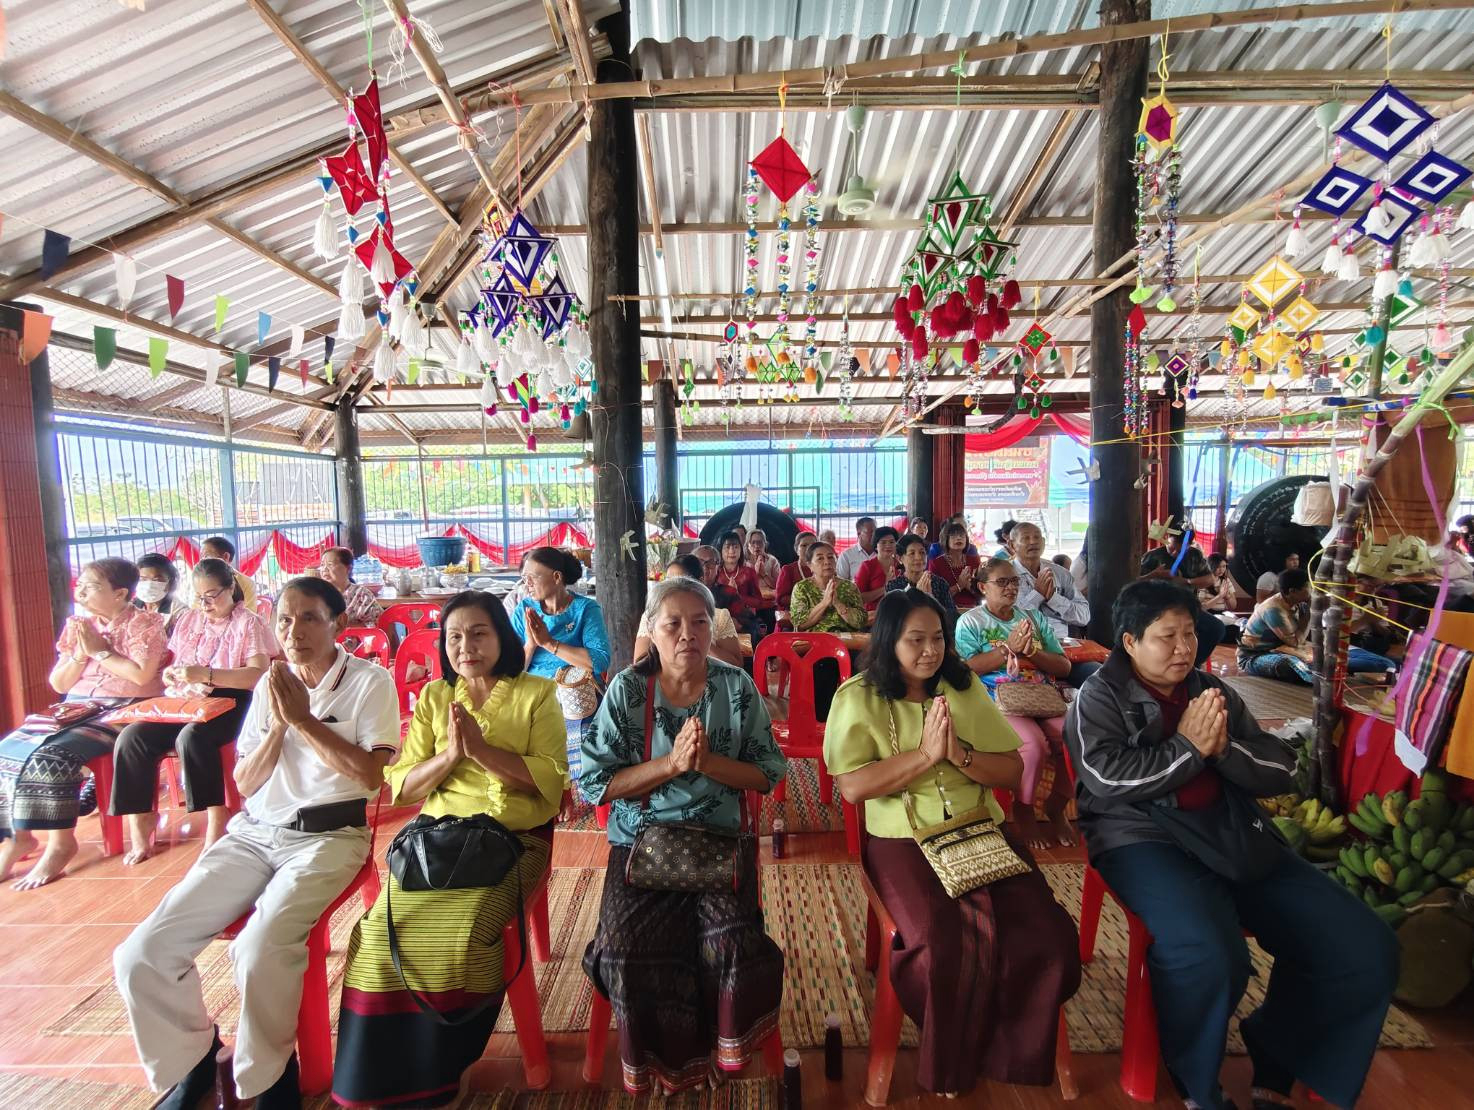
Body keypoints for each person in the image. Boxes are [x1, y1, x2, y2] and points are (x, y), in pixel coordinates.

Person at [1065, 579, 1398, 1110]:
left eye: (1190, 633)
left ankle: (1280, 1054)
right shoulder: (1098, 697)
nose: (1183, 648)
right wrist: (1191, 749)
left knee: (1361, 946)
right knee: (1213, 956)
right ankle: (1198, 1084)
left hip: (1231, 830)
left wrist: (1221, 754)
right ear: (1129, 642)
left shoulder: (1209, 692)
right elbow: (1107, 781)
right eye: (1165, 637)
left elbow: (1280, 768)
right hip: (1143, 841)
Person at [113, 578, 401, 1109]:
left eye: (310, 618)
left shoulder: (369, 681)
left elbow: (367, 777)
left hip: (329, 836)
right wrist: (278, 728)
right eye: (285, 621)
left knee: (261, 946)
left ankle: (269, 1079)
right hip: (254, 834)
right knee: (142, 952)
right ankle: (191, 1062)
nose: (294, 632)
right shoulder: (273, 685)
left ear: (337, 624)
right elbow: (245, 782)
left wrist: (303, 721)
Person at [824, 590, 1080, 1099]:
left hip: (981, 826)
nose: (929, 651)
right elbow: (853, 787)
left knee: (1044, 936)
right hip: (903, 836)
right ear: (888, 641)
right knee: (941, 945)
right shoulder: (858, 696)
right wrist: (923, 757)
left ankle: (1007, 1054)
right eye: (914, 640)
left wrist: (958, 754)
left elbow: (1009, 769)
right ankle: (954, 1056)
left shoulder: (963, 689)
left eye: (937, 638)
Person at [333, 591, 566, 1107]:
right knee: (375, 938)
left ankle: (444, 1069)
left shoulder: (536, 693)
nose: (465, 645)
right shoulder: (438, 699)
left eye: (478, 633)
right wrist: (449, 758)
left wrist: (481, 752)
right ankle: (374, 1079)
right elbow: (402, 785)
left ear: (501, 638)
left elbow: (549, 780)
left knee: (462, 938)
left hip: (512, 841)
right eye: (454, 636)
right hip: (437, 845)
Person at [580, 576, 787, 1095]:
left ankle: (725, 1052)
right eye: (672, 623)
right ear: (652, 628)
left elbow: (767, 772)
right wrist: (670, 765)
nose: (687, 635)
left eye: (699, 622)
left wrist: (709, 762)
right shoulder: (628, 690)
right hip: (640, 842)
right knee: (626, 949)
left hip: (718, 841)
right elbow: (596, 784)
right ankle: (659, 1064)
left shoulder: (735, 688)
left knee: (733, 946)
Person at [0, 558, 167, 889]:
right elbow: (60, 684)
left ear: (120, 594)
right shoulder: (79, 625)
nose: (82, 591)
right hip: (76, 706)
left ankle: (61, 844)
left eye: (92, 586)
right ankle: (17, 838)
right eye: (81, 585)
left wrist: (102, 653)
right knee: (8, 749)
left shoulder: (145, 625)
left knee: (55, 757)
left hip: (124, 708)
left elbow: (142, 677)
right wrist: (81, 654)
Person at [111, 558, 273, 864]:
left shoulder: (248, 622)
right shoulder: (188, 621)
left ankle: (217, 813)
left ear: (230, 589)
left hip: (234, 699)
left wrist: (207, 675)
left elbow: (257, 676)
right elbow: (176, 663)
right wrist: (174, 675)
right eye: (199, 597)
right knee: (133, 737)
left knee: (193, 737)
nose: (205, 604)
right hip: (188, 700)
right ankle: (141, 816)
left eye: (212, 596)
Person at [955, 559, 1075, 850]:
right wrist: (1009, 648)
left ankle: (1056, 805)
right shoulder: (971, 621)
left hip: (1040, 695)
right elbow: (967, 669)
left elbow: (1064, 666)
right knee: (1033, 745)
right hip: (999, 699)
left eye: (1014, 582)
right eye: (1002, 582)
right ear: (983, 587)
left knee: (1077, 736)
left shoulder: (1032, 618)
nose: (1010, 588)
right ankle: (1023, 809)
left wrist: (1033, 651)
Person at [510, 546, 611, 784]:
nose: (528, 584)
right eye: (524, 579)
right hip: (534, 690)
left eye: (532, 578)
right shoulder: (524, 610)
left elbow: (598, 661)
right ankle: (542, 782)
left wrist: (550, 643)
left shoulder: (585, 609)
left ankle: (577, 783)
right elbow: (511, 670)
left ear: (557, 577)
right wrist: (531, 645)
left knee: (580, 716)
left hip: (574, 691)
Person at [636, 556, 743, 668]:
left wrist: (702, 643)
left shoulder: (720, 617)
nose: (673, 588)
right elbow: (639, 663)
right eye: (669, 581)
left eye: (700, 621)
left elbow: (737, 665)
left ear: (700, 582)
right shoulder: (653, 616)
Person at [1139, 532, 1224, 668]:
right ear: (1167, 538)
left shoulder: (1194, 555)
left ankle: (1192, 666)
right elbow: (1134, 582)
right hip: (1157, 609)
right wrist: (1154, 575)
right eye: (1172, 548)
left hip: (1186, 607)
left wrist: (1186, 581)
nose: (1175, 553)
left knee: (1216, 628)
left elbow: (1209, 579)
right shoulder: (1152, 556)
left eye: (1180, 550)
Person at [1012, 522, 1090, 640]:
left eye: (1037, 537)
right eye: (1026, 538)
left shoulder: (1060, 573)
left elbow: (1084, 617)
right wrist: (1037, 594)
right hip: (1023, 643)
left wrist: (1054, 599)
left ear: (1043, 542)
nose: (1033, 542)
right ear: (1012, 545)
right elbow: (1009, 619)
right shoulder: (1006, 576)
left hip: (1061, 643)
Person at [711, 530, 766, 634]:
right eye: (727, 547)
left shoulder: (749, 572)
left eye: (736, 547)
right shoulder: (715, 572)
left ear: (741, 550)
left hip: (745, 619)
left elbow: (759, 602)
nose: (732, 551)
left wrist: (737, 595)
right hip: (718, 621)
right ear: (720, 550)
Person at [887, 532, 956, 614]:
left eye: (922, 552)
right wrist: (919, 598)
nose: (919, 557)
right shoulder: (894, 587)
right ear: (900, 558)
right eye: (912, 553)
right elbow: (893, 618)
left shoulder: (940, 583)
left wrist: (930, 599)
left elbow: (951, 616)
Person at [318, 545, 379, 625]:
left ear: (348, 568)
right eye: (322, 565)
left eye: (330, 564)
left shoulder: (362, 595)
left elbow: (375, 626)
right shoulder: (317, 595)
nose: (324, 569)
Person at [929, 521, 982, 608]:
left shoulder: (975, 560)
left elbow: (983, 594)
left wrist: (970, 587)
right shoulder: (936, 563)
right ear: (945, 539)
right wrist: (959, 586)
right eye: (953, 536)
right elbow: (936, 597)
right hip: (947, 611)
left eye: (962, 535)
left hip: (973, 610)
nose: (958, 538)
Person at [200, 535, 257, 611]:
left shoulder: (247, 584)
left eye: (207, 556)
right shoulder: (199, 581)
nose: (202, 562)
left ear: (226, 557)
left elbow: (250, 615)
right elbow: (195, 612)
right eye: (201, 557)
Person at [854, 525, 903, 610]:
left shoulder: (902, 565)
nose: (888, 545)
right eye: (883, 542)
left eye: (892, 542)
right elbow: (859, 598)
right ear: (876, 545)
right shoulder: (867, 567)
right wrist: (885, 588)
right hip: (874, 616)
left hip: (899, 612)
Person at [773, 530, 817, 617]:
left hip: (820, 614)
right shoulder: (788, 570)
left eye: (812, 545)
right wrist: (806, 601)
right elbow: (781, 599)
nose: (808, 548)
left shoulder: (822, 569)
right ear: (796, 550)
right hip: (794, 616)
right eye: (804, 545)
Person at [135, 553, 182, 633]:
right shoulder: (130, 606)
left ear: (170, 582)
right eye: (143, 579)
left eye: (156, 580)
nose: (149, 585)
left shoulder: (179, 612)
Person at [836, 517, 879, 582]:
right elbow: (840, 582)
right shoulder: (847, 555)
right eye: (870, 532)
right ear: (859, 534)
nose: (874, 535)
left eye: (875, 531)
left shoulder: (882, 553)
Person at [745, 528, 782, 601]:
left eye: (760, 542)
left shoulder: (772, 560)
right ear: (748, 546)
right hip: (751, 601)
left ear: (765, 544)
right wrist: (755, 573)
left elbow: (778, 586)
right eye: (753, 542)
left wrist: (764, 574)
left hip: (770, 600)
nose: (756, 546)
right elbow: (744, 588)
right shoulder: (744, 562)